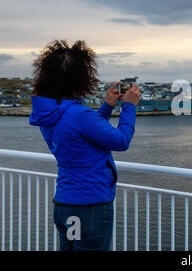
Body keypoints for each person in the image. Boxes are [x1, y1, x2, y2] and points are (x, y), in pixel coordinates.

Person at [29, 40, 140, 251]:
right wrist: (129, 107)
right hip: (90, 207)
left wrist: (107, 107)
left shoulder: (51, 113)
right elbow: (121, 141)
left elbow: (84, 130)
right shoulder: (78, 114)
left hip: (65, 204)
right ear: (81, 78)